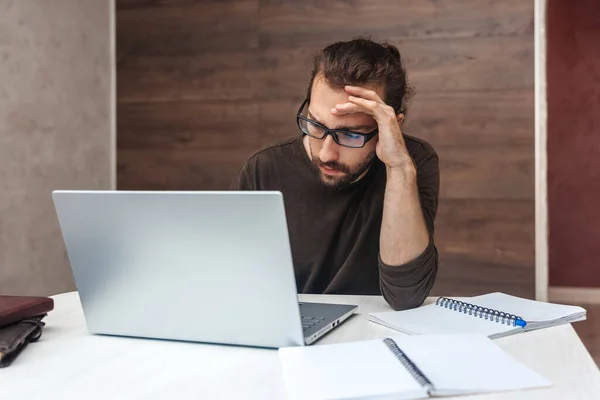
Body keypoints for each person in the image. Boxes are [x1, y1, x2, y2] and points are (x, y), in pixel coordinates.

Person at [230, 38, 439, 311]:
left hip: (371, 332)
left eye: (350, 134)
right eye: (316, 125)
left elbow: (406, 295)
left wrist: (398, 168)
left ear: (390, 126)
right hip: (287, 325)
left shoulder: (412, 162)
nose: (327, 154)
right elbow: (233, 282)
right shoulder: (263, 169)